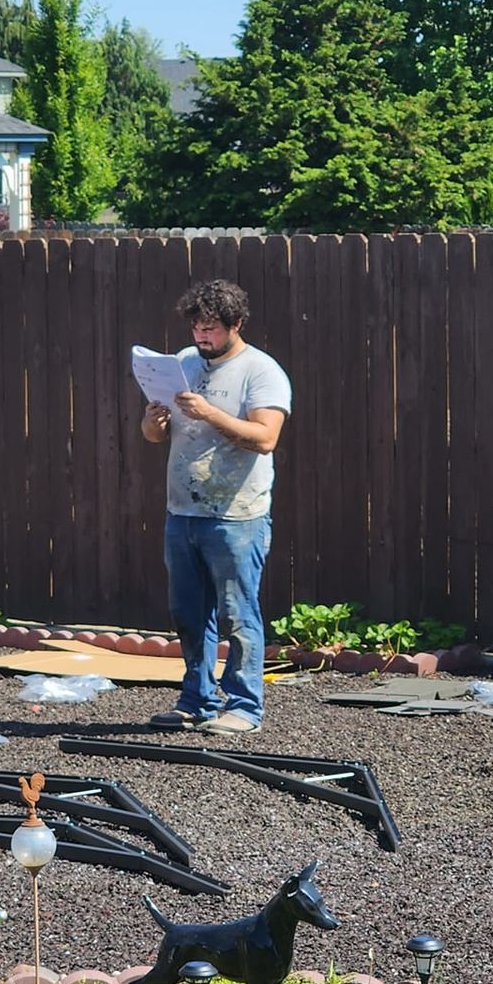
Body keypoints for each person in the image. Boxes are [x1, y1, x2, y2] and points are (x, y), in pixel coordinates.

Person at [139, 279, 291, 735]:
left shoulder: (261, 372)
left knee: (238, 612)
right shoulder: (183, 364)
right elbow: (155, 438)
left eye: (211, 329)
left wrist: (209, 413)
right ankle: (197, 700)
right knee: (188, 612)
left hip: (236, 515)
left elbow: (265, 438)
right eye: (197, 328)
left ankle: (245, 706)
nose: (201, 337)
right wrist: (151, 422)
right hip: (182, 510)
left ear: (236, 325)